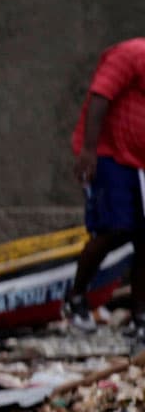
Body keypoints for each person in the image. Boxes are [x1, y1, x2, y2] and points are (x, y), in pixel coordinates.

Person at [64, 38, 145, 341]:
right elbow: (101, 95)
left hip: (140, 163)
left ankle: (140, 317)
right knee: (116, 228)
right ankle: (76, 297)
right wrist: (89, 149)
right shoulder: (132, 54)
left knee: (144, 237)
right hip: (110, 154)